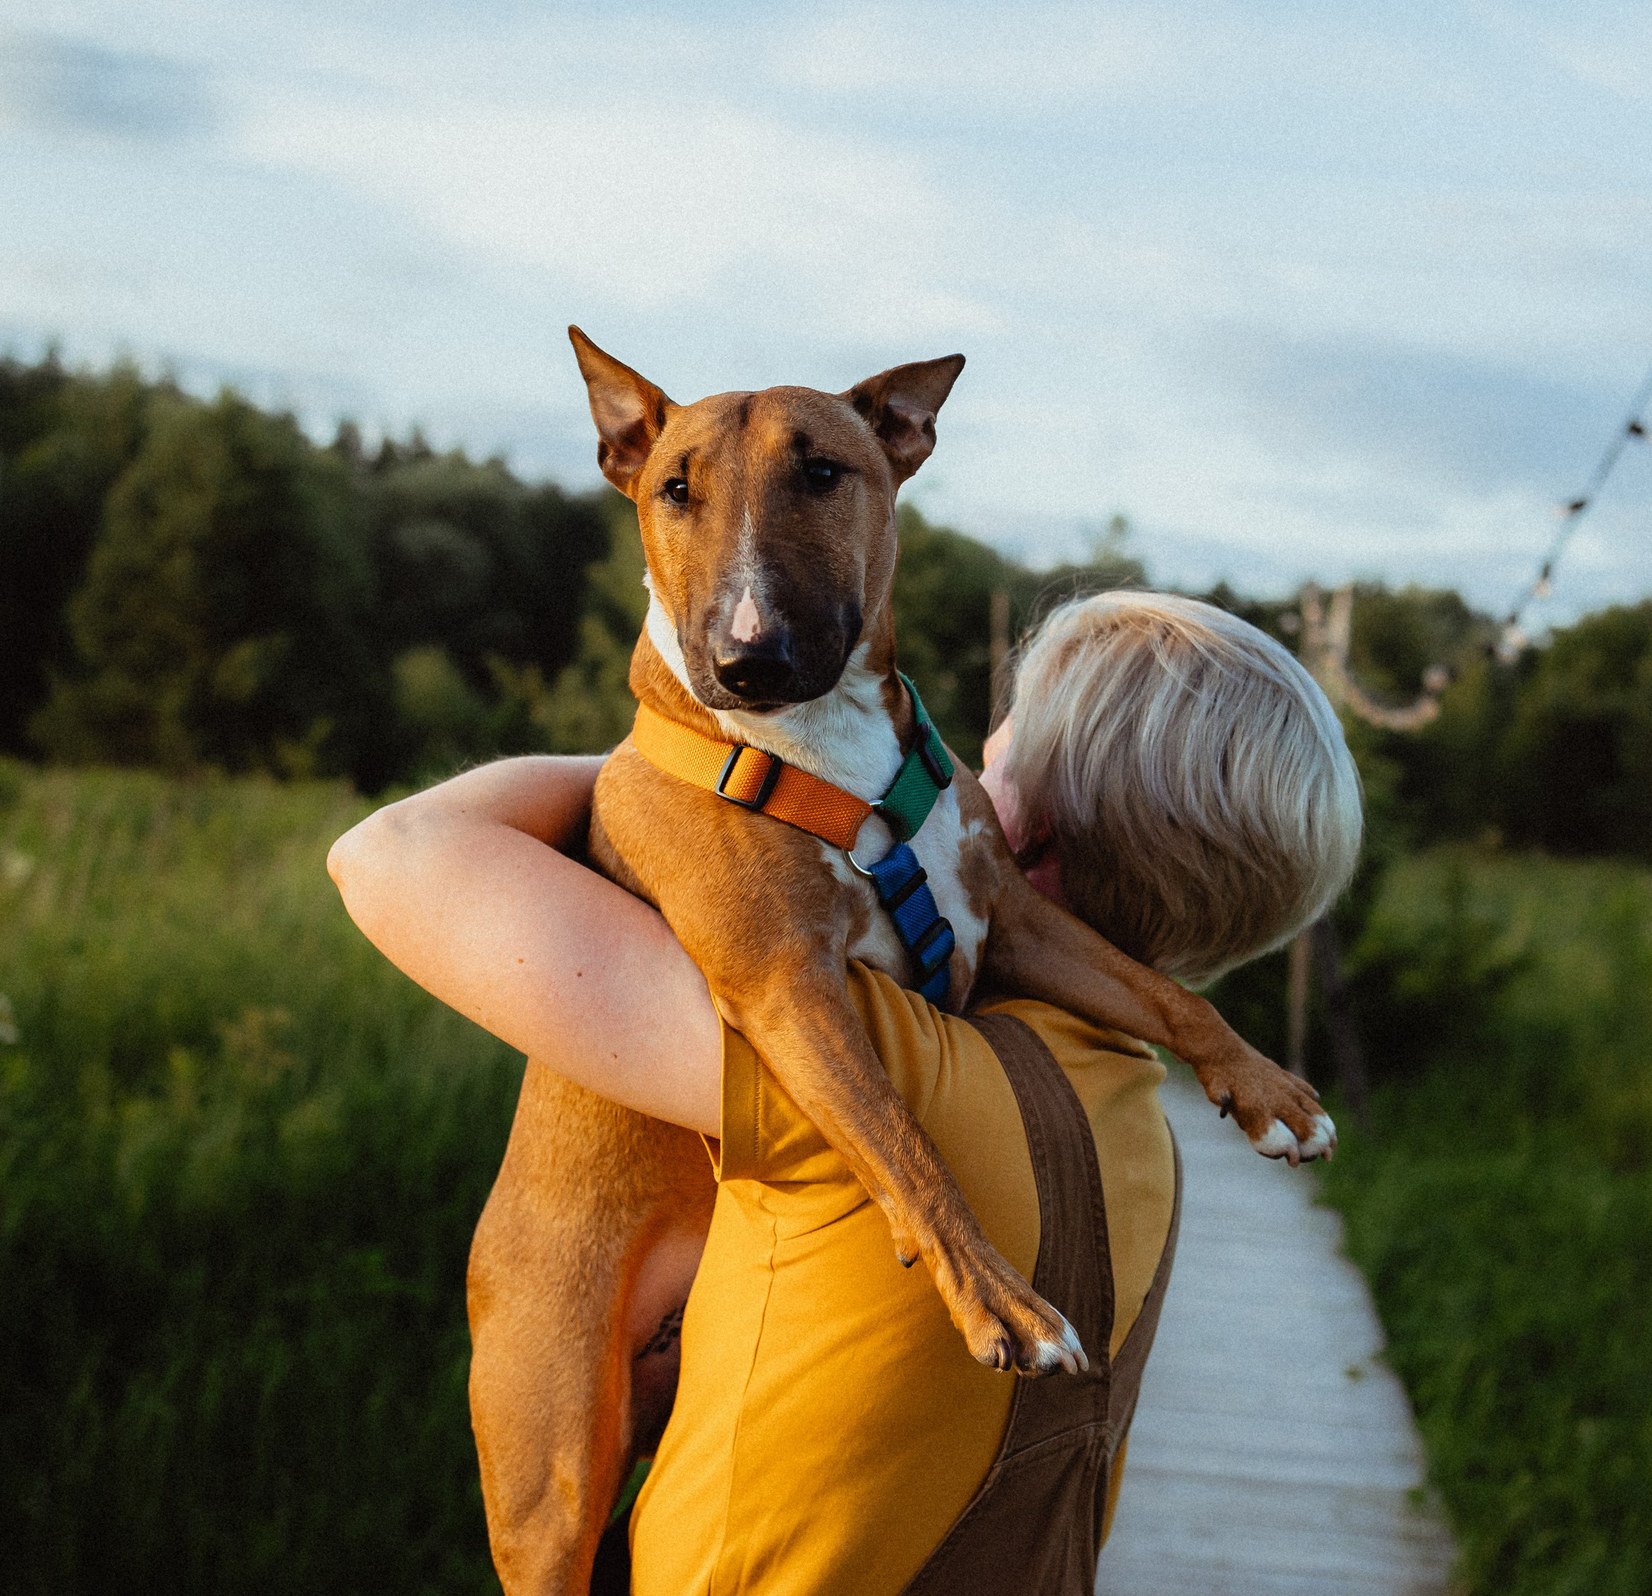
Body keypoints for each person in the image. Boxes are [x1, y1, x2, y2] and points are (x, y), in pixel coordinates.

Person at [330, 590, 1362, 1595]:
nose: (939, 769)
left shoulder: (889, 1067)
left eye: (979, 764)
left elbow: (393, 855)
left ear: (1019, 839)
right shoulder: (1143, 1134)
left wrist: (757, 776)